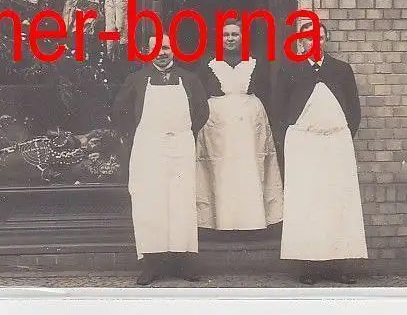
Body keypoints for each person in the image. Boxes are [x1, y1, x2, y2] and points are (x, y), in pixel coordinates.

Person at [112, 32, 210, 285]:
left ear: (173, 50)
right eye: (156, 49)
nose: (161, 53)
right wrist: (140, 134)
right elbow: (119, 111)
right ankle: (151, 265)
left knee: (181, 202)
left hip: (181, 145)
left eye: (165, 48)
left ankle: (182, 263)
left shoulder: (189, 79)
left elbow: (202, 112)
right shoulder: (137, 79)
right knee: (150, 203)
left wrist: (183, 133)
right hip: (149, 146)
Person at [276, 19, 367, 285]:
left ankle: (337, 267)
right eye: (308, 37)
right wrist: (293, 141)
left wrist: (338, 138)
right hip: (303, 146)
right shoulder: (289, 69)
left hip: (335, 145)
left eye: (320, 37)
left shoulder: (341, 70)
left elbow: (354, 111)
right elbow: (278, 109)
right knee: (308, 204)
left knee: (337, 203)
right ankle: (309, 268)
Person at [195, 18, 284, 231]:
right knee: (221, 169)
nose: (230, 39)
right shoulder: (208, 62)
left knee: (249, 166)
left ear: (242, 37)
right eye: (226, 35)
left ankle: (252, 222)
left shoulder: (255, 61)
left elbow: (265, 90)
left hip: (249, 124)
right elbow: (199, 94)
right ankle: (222, 223)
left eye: (235, 34)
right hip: (218, 126)